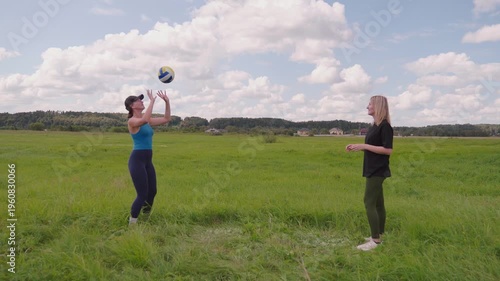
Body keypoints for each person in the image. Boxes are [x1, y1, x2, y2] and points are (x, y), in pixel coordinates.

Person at [346, 95, 393, 251]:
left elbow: (388, 150)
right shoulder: (374, 126)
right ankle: (379, 233)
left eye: (370, 104)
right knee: (379, 203)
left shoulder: (385, 126)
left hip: (377, 170)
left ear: (378, 106)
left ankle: (375, 241)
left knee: (368, 202)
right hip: (371, 168)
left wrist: (364, 146)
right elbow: (372, 146)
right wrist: (356, 146)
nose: (367, 107)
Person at [124, 90, 171, 225]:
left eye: (142, 100)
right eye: (138, 100)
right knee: (142, 194)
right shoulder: (132, 121)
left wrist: (167, 102)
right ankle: (132, 224)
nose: (141, 101)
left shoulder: (148, 121)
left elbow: (167, 119)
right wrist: (152, 102)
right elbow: (144, 119)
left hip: (147, 161)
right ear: (132, 106)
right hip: (137, 160)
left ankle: (145, 218)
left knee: (152, 191)